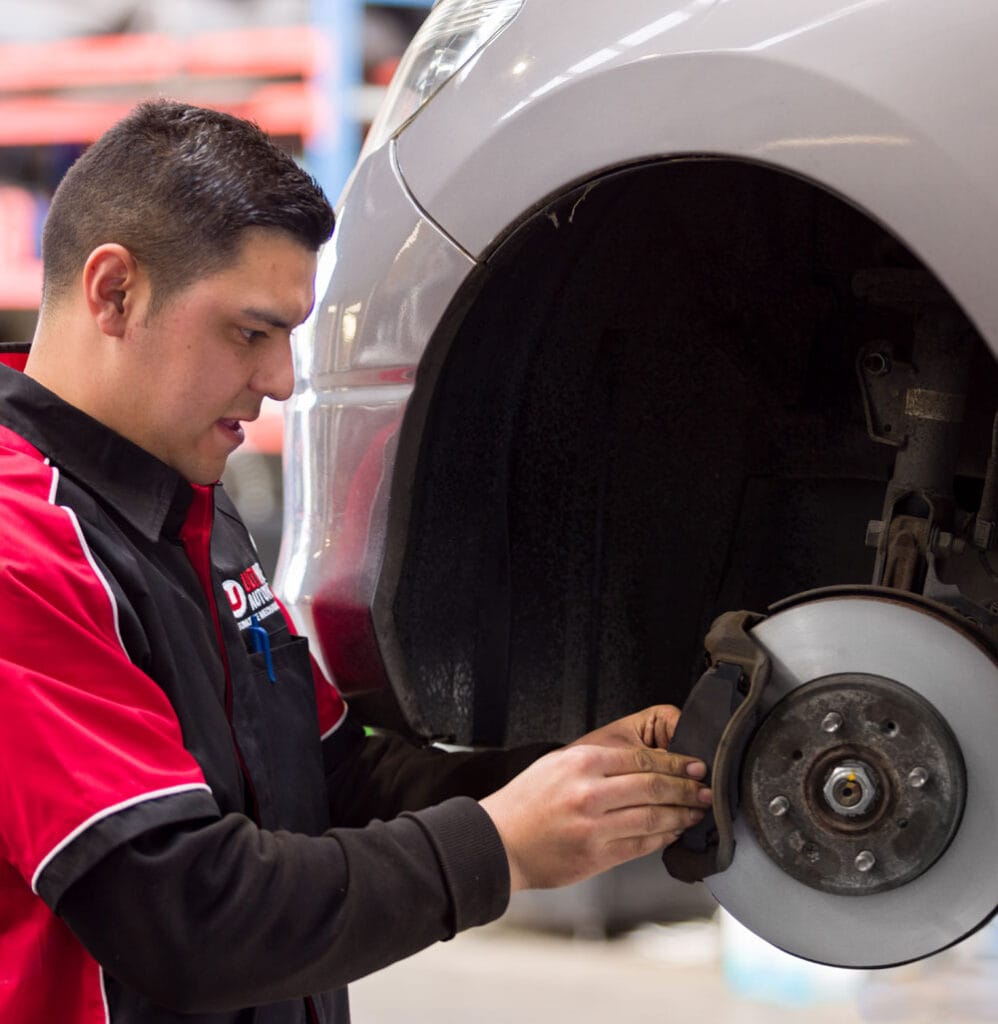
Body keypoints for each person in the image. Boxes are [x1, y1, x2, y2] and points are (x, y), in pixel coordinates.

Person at [0, 100, 712, 1024]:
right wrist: (501, 847)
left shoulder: (186, 512)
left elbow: (332, 781)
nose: (283, 379)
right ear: (113, 293)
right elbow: (188, 913)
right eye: (250, 332)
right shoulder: (24, 553)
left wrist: (565, 783)